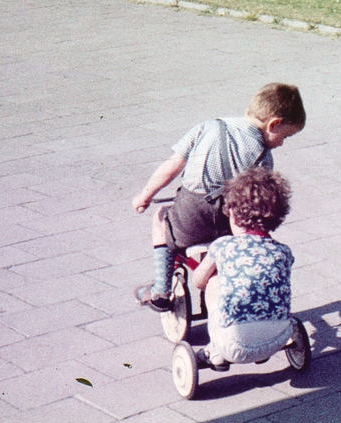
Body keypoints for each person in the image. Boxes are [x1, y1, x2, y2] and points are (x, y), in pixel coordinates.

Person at [131, 83, 306, 311]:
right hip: (229, 226)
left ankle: (161, 291)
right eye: (286, 136)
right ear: (274, 124)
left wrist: (145, 196)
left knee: (161, 218)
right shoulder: (263, 156)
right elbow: (259, 200)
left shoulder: (207, 128)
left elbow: (172, 166)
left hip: (190, 221)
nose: (282, 143)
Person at [190, 167, 295, 369]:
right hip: (280, 339)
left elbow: (198, 281)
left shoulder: (223, 245)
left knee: (213, 282)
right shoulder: (283, 251)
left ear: (232, 214)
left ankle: (214, 352)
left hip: (233, 345)